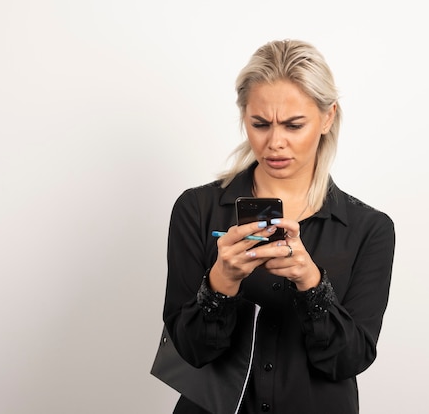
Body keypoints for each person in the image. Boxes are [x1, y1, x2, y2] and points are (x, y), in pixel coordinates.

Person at [161, 39, 395, 414]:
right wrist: (221, 282)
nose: (274, 143)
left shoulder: (369, 228)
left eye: (293, 125)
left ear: (327, 117)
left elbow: (350, 360)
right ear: (244, 117)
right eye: (259, 124)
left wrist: (312, 284)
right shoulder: (197, 209)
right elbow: (189, 351)